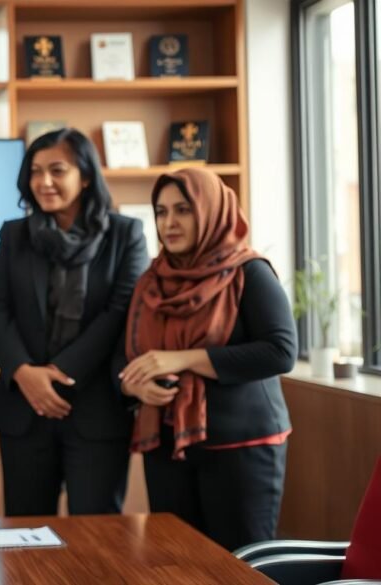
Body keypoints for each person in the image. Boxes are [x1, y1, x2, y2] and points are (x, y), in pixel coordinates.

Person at [118, 167, 296, 551]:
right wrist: (134, 384)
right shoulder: (152, 280)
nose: (170, 222)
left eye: (183, 209)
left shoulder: (248, 271)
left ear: (211, 210)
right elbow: (131, 355)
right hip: (166, 444)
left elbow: (281, 352)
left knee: (240, 564)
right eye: (161, 212)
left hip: (242, 446)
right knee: (177, 562)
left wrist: (181, 359)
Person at [0, 128, 149, 516]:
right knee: (24, 538)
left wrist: (59, 372)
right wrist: (25, 373)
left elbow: (122, 312)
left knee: (98, 542)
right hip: (24, 408)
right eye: (36, 171)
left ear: (86, 175)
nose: (43, 182)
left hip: (96, 408)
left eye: (57, 170)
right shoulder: (14, 234)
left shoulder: (126, 234)